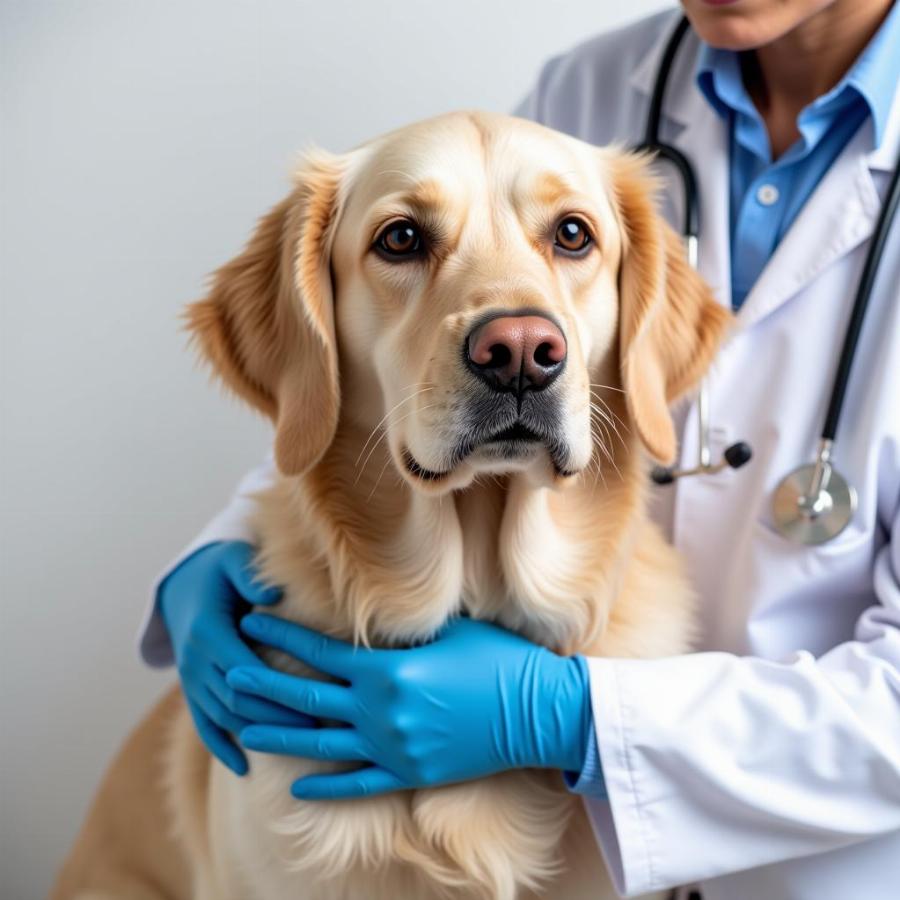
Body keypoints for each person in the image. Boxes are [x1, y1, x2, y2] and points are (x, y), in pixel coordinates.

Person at [139, 1, 900, 896]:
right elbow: (368, 380)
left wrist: (572, 721)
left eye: (569, 237)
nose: (519, 340)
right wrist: (216, 555)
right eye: (404, 239)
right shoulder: (588, 85)